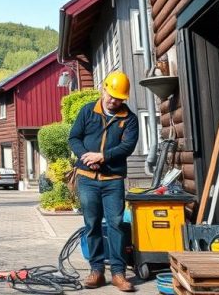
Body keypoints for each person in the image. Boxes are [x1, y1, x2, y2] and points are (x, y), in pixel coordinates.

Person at [68, 71, 139, 292]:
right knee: (92, 224)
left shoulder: (130, 119)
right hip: (88, 179)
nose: (113, 100)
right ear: (104, 89)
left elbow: (127, 147)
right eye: (111, 94)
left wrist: (103, 157)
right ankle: (96, 271)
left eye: (118, 97)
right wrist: (86, 157)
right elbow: (74, 138)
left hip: (113, 180)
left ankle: (118, 273)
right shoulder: (88, 111)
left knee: (117, 224)